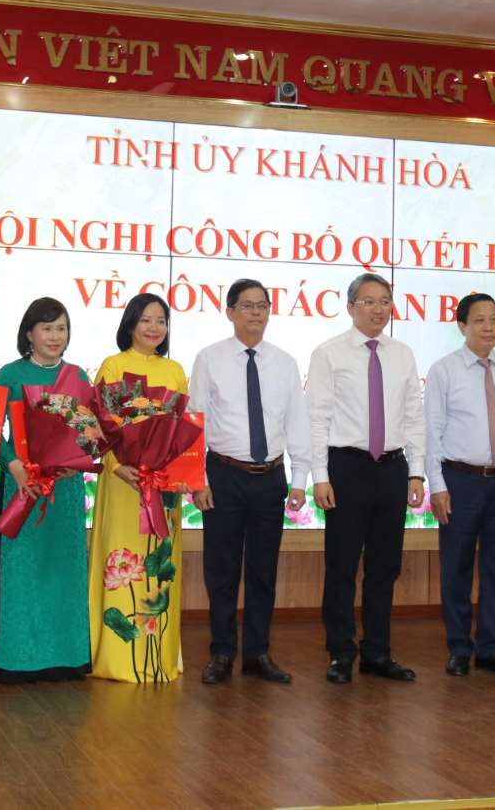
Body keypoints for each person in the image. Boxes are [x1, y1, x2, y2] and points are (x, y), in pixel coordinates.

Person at [189, 278, 312, 685]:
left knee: (263, 570)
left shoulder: (285, 362)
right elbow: (197, 423)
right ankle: (222, 652)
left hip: (270, 479)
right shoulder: (210, 359)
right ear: (230, 312)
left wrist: (299, 480)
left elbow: (297, 421)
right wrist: (198, 479)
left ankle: (258, 653)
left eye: (262, 305)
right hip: (223, 476)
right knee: (221, 570)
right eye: (247, 306)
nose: (255, 313)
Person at [307, 273, 426, 684]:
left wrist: (416, 472)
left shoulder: (403, 354)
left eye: (385, 301)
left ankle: (377, 652)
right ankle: (341, 652)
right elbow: (317, 417)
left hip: (392, 469)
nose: (378, 309)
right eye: (369, 301)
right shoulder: (329, 354)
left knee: (384, 567)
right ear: (351, 306)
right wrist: (319, 476)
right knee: (341, 566)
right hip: (347, 468)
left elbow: (414, 416)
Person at [424, 292, 495, 678]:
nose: (489, 327)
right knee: (456, 567)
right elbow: (432, 432)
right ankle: (459, 647)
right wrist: (437, 485)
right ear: (462, 326)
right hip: (460, 480)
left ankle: (491, 648)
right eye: (480, 320)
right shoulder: (444, 370)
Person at [0, 297, 92, 683]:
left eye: (61, 328)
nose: (55, 336)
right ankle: (19, 659)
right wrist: (13, 464)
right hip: (22, 487)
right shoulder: (10, 374)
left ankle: (67, 657)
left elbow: (90, 431)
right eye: (47, 328)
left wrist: (75, 457)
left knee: (62, 572)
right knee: (23, 573)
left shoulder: (78, 377)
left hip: (66, 490)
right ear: (29, 333)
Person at [87, 293, 191, 683]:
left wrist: (177, 475)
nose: (153, 327)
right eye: (145, 319)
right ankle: (117, 659)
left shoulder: (176, 370)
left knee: (158, 566)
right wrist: (118, 467)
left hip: (162, 486)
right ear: (130, 323)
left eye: (160, 321)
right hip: (123, 483)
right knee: (123, 565)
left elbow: (182, 434)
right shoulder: (114, 366)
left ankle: (157, 658)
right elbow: (99, 428)